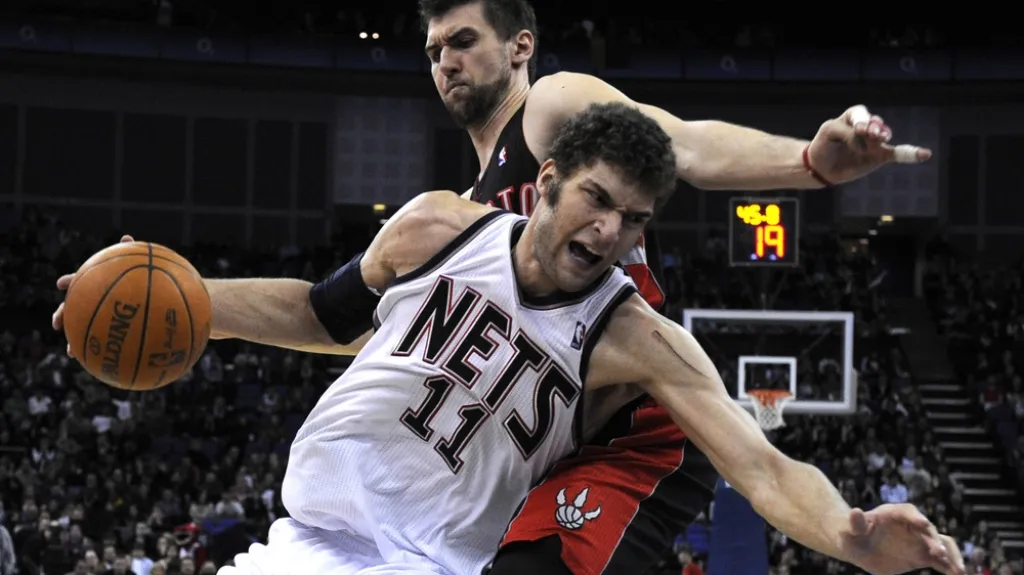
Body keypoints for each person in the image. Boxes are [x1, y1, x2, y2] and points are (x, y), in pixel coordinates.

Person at [55, 104, 961, 575]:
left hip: (437, 562)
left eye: (633, 221)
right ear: (552, 179)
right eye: (597, 201)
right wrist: (183, 295)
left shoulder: (636, 337)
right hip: (308, 538)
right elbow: (319, 316)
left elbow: (759, 468)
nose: (609, 233)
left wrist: (848, 531)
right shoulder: (435, 228)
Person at [416, 0, 933, 573]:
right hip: (543, 445)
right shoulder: (466, 210)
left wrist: (807, 163)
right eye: (435, 51)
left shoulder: (548, 108)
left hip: (639, 432)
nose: (447, 62)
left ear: (520, 47)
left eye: (463, 41)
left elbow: (683, 146)